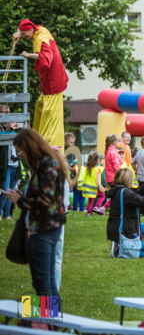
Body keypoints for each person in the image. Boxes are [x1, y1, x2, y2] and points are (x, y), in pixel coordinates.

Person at [3, 128, 68, 296]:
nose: (20, 156)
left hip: (42, 229)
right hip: (47, 228)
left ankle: (44, 320)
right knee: (48, 282)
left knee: (42, 283)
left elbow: (46, 202)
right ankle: (50, 321)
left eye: (20, 151)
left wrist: (20, 201)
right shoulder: (47, 163)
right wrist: (22, 195)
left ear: (30, 146)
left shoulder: (46, 165)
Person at [13, 19, 69, 148]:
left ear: (31, 30)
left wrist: (28, 54)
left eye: (25, 33)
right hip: (50, 83)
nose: (24, 36)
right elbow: (26, 23)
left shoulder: (40, 39)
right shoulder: (40, 30)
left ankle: (48, 147)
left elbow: (47, 57)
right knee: (40, 106)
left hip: (52, 84)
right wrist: (18, 33)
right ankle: (37, 139)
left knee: (50, 116)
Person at [106, 167, 144, 258]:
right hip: (123, 229)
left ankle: (120, 244)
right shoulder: (125, 192)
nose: (133, 180)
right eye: (132, 178)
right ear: (127, 179)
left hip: (115, 227)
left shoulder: (119, 190)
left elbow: (135, 194)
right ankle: (119, 248)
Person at [0, 105, 22, 220]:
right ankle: (0, 214)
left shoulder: (13, 125)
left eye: (9, 112)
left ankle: (7, 215)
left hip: (15, 164)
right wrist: (10, 130)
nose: (8, 114)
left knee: (12, 192)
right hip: (6, 165)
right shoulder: (2, 128)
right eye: (5, 112)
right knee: (5, 192)